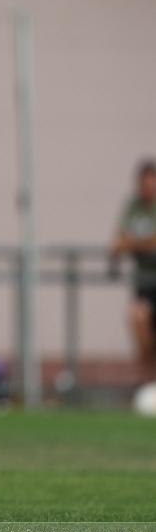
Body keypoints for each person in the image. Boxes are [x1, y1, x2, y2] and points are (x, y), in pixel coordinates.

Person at [111, 158, 156, 382]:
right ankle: (149, 381)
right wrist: (143, 242)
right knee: (137, 318)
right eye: (144, 184)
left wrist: (135, 242)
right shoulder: (133, 207)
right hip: (145, 284)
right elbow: (117, 243)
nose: (148, 188)